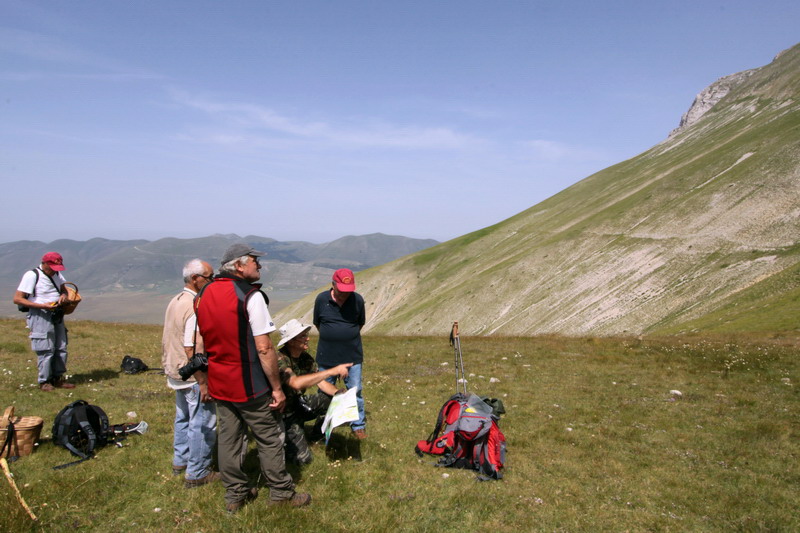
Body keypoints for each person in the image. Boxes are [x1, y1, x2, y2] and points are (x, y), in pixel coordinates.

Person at [194, 243, 311, 512]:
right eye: (254, 261)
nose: (259, 265)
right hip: (249, 384)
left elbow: (201, 340)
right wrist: (277, 389)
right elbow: (264, 347)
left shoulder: (204, 293)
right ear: (239, 265)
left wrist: (204, 380)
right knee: (269, 438)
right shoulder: (250, 296)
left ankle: (235, 496)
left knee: (229, 439)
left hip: (219, 382)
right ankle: (281, 492)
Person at [161, 258, 219, 488]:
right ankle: (198, 472)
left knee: (183, 417)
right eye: (209, 277)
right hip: (193, 374)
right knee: (203, 421)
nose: (212, 281)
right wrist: (203, 382)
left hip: (176, 371)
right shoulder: (196, 304)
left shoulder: (175, 300)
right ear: (195, 279)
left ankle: (181, 461)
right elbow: (192, 346)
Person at [276, 319, 352, 465]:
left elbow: (321, 383)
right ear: (291, 341)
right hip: (282, 414)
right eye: (303, 336)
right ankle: (284, 440)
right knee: (303, 460)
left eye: (306, 335)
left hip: (297, 405)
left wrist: (338, 393)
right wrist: (333, 371)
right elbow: (295, 384)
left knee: (330, 399)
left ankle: (317, 436)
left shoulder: (306, 358)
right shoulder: (279, 359)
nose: (308, 339)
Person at [313, 268, 367, 439]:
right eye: (342, 291)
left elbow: (360, 323)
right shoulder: (322, 299)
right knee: (324, 392)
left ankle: (358, 425)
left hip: (352, 356)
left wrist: (345, 338)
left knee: (355, 392)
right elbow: (318, 324)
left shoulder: (357, 300)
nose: (345, 295)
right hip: (326, 357)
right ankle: (324, 425)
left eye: (348, 291)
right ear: (333, 285)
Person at [13, 252, 75, 391]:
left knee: (61, 347)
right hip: (40, 314)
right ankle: (44, 381)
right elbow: (18, 298)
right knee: (45, 348)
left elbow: (63, 289)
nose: (54, 270)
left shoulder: (57, 274)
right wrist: (43, 306)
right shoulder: (32, 275)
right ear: (45, 263)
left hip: (57, 313)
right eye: (52, 266)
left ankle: (58, 378)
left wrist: (63, 296)